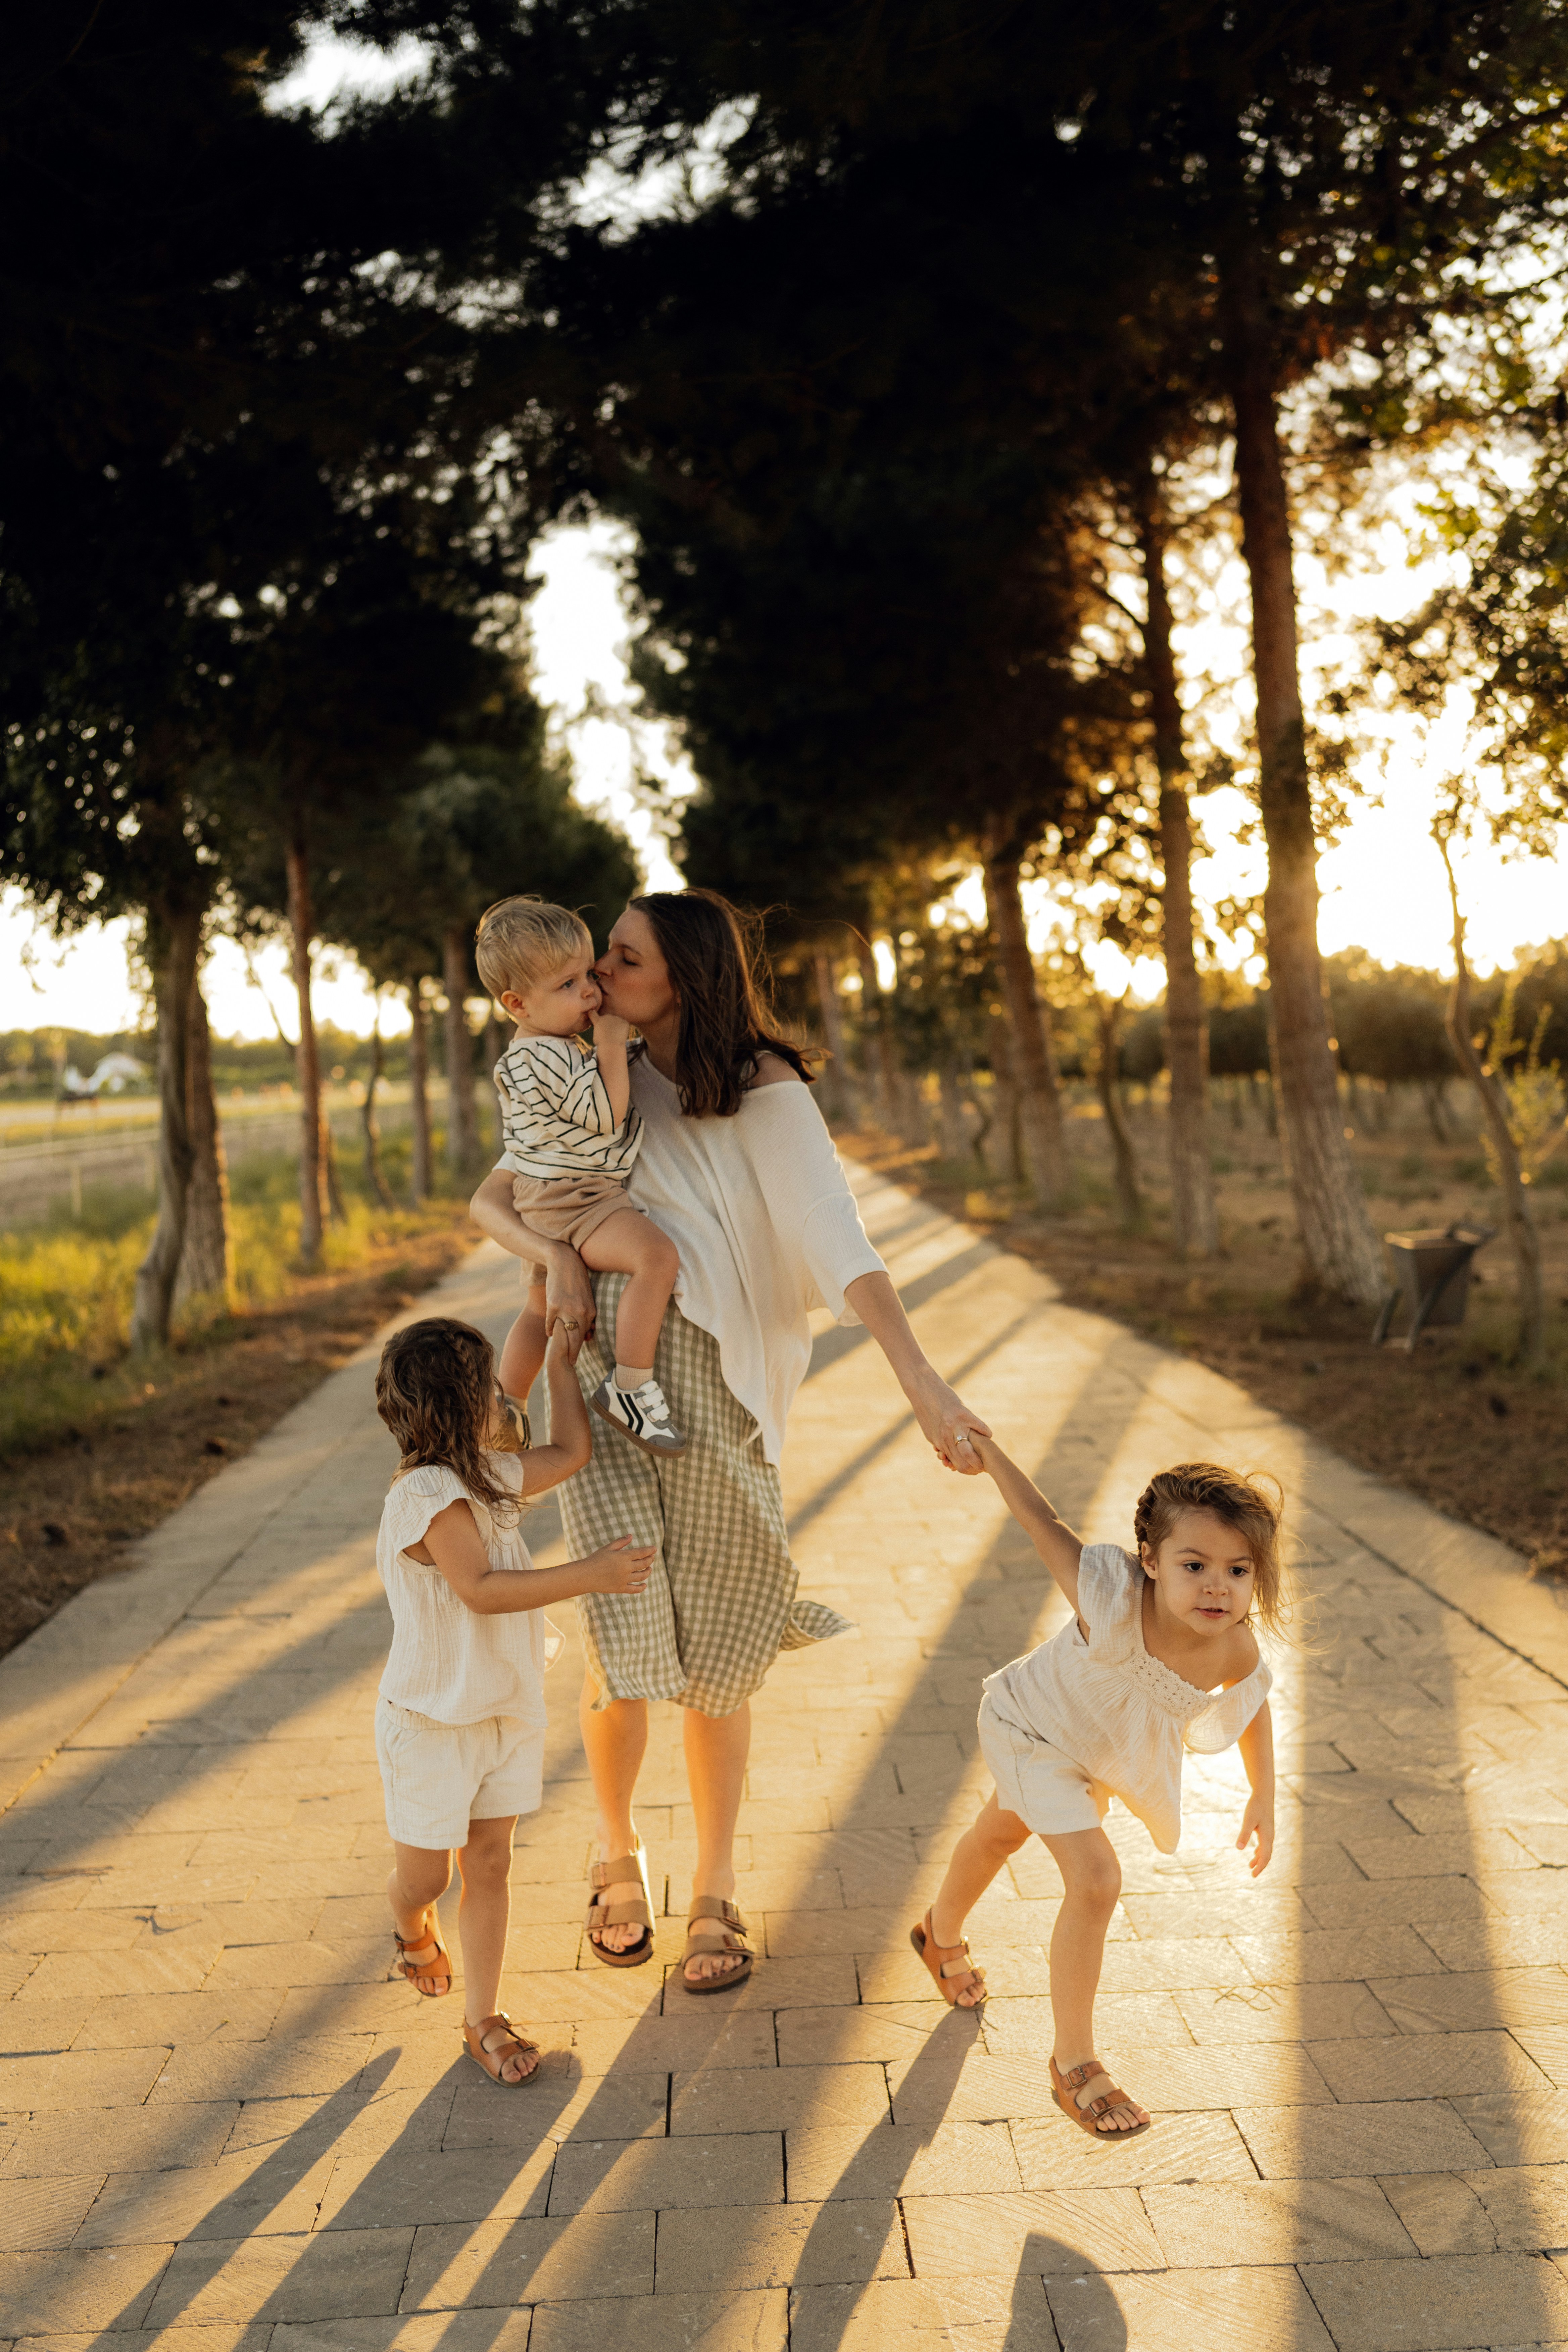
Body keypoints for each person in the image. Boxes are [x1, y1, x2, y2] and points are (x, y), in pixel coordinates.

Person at [470, 887, 991, 1993]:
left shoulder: (763, 1087)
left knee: (721, 1643)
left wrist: (924, 1380)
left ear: (686, 976)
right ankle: (615, 1849)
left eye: (621, 957)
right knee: (617, 1631)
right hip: (598, 1374)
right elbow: (503, 1193)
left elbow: (835, 1238)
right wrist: (554, 1266)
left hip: (722, 1392)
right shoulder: (578, 1070)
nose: (601, 974)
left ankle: (714, 1883)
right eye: (597, 959)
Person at [913, 1453, 1279, 2140]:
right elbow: (1039, 1519)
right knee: (1096, 1878)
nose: (1215, 1588)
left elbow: (1252, 1704)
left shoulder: (1233, 1646)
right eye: (1193, 1565)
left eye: (1237, 1571)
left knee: (999, 1833)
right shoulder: (1108, 1595)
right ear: (1149, 1561)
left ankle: (937, 1933)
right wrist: (987, 1454)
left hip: (1092, 1761)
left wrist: (1262, 1794)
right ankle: (1072, 2061)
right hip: (1026, 1727)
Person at [373, 1313, 654, 2085]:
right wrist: (589, 1573)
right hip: (432, 1726)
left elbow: (570, 1452)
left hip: (501, 1709)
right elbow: (483, 1590)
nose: (504, 1395)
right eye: (489, 1386)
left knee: (490, 1862)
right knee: (429, 1879)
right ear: (458, 1406)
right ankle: (407, 1924)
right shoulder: (425, 1495)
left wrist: (561, 1362)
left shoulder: (480, 1475)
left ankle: (482, 2018)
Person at [474, 894, 687, 1457]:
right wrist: (612, 1044)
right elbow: (606, 1113)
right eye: (568, 986)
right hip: (577, 1198)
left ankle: (505, 1405)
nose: (591, 993)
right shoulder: (543, 1055)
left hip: (542, 1199)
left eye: (587, 974)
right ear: (518, 1004)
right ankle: (632, 1387)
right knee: (657, 1258)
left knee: (539, 1309)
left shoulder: (542, 1049)